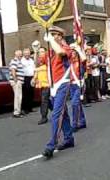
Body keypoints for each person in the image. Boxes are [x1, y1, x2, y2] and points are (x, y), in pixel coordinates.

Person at [42, 26, 74, 159]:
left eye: (54, 34)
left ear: (60, 36)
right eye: (51, 34)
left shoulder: (65, 47)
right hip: (53, 85)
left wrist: (50, 40)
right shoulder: (50, 51)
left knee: (56, 114)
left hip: (62, 83)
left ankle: (51, 145)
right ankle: (69, 138)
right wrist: (37, 50)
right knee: (63, 113)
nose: (52, 36)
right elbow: (40, 61)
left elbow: (61, 52)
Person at [69, 43, 87, 132]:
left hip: (79, 84)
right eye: (71, 50)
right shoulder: (69, 61)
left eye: (73, 50)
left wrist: (78, 49)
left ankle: (74, 124)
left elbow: (84, 59)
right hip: (71, 85)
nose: (72, 52)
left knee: (74, 103)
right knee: (78, 103)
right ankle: (82, 121)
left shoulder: (79, 61)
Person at [34, 47, 51, 125]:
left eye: (42, 51)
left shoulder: (48, 60)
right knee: (46, 100)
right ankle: (58, 111)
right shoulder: (39, 61)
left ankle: (44, 117)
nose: (41, 53)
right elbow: (36, 69)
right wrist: (34, 78)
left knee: (44, 100)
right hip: (41, 85)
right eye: (39, 52)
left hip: (47, 84)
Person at [9, 50, 25, 118]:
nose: (21, 55)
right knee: (18, 97)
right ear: (16, 55)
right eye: (20, 54)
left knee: (18, 97)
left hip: (18, 82)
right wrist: (16, 80)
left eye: (21, 54)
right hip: (17, 82)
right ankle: (16, 112)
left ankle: (18, 111)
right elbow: (13, 70)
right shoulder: (14, 61)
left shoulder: (18, 61)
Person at [21, 48, 36, 114]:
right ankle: (25, 109)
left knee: (31, 93)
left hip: (32, 77)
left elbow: (34, 68)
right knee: (25, 94)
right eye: (26, 53)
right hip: (25, 78)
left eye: (28, 53)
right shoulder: (21, 61)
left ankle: (30, 108)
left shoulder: (31, 60)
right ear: (23, 54)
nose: (27, 54)